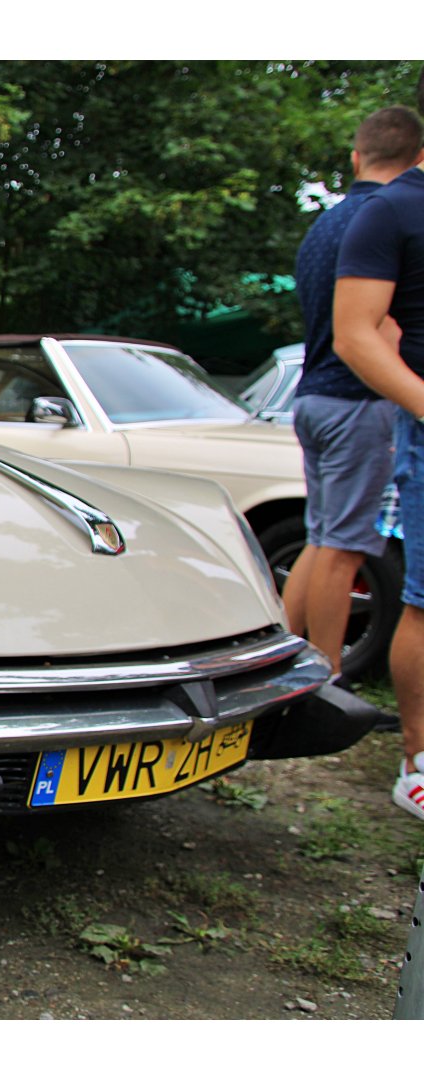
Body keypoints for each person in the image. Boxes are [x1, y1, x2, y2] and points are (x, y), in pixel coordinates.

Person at [282, 106, 424, 680]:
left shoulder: (329, 223)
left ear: (356, 157)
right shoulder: (388, 218)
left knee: (322, 540)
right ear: (417, 157)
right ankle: (324, 679)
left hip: (312, 395)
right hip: (356, 402)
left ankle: (280, 662)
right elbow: (381, 328)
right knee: (343, 548)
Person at [332, 104, 424, 821]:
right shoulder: (387, 213)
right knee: (356, 556)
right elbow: (360, 333)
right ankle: (417, 764)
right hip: (395, 416)